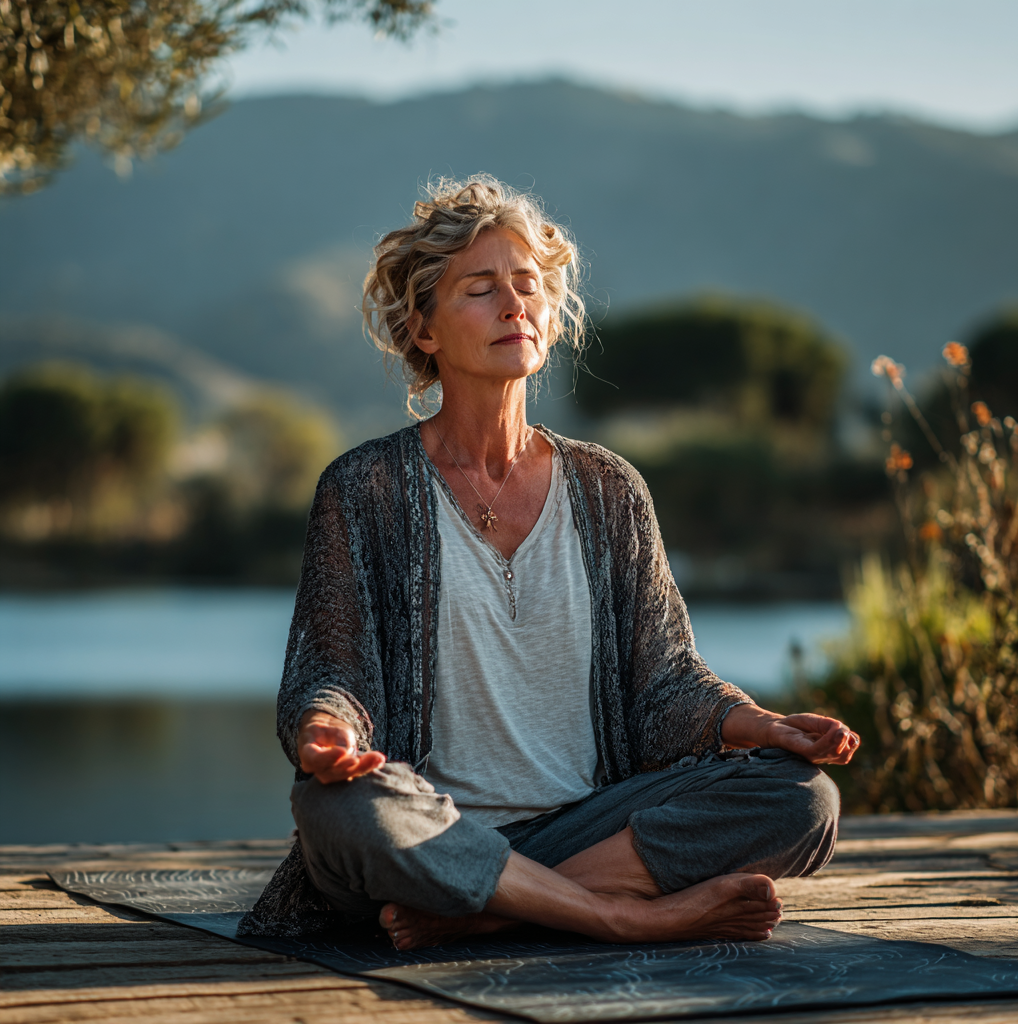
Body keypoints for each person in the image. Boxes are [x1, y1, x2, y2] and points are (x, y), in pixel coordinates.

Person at [239, 177, 859, 951]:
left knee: (804, 799)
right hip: (427, 826)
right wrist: (326, 730)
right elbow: (334, 670)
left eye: (529, 285)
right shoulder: (364, 489)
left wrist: (762, 724)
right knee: (344, 809)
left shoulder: (610, 489)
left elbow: (665, 680)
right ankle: (624, 915)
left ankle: (487, 907)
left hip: (584, 829)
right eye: (481, 288)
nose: (514, 304)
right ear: (424, 329)